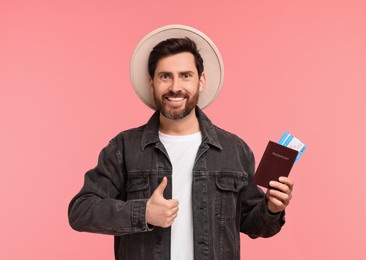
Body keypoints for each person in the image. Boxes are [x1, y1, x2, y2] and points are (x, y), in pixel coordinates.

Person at [68, 25, 294, 260]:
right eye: (165, 76)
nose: (175, 87)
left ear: (201, 81)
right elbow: (80, 211)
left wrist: (272, 208)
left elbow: (254, 224)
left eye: (185, 75)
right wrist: (143, 212)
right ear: (152, 82)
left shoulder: (234, 150)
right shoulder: (124, 147)